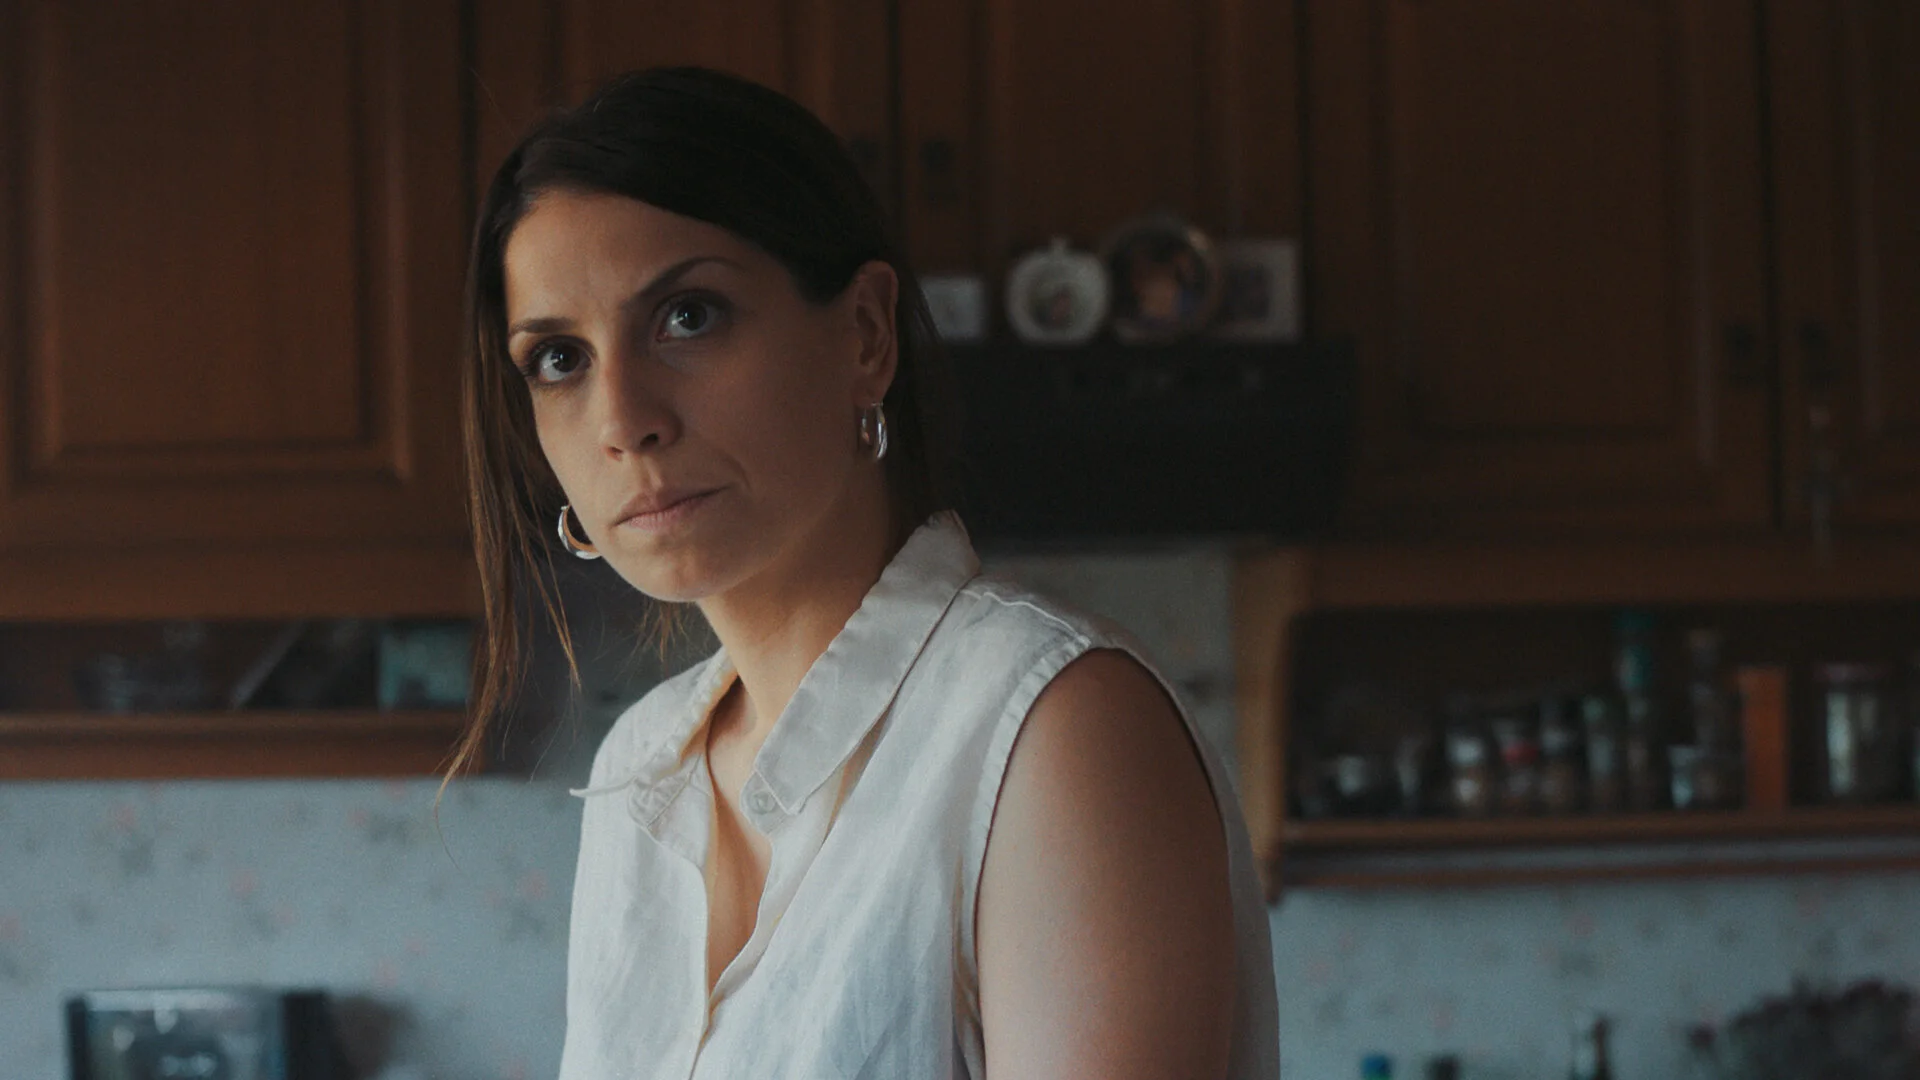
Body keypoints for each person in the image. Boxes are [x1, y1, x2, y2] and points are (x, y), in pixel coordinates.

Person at [457, 66, 1277, 1080]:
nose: (624, 420)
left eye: (688, 316)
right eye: (559, 360)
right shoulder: (640, 771)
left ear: (866, 336)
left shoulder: (1049, 730)